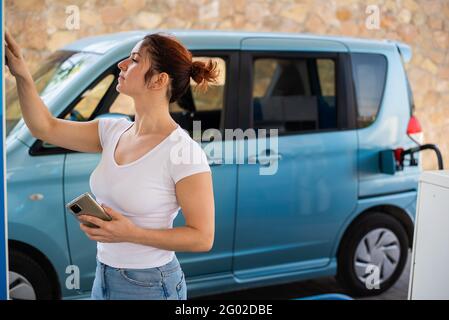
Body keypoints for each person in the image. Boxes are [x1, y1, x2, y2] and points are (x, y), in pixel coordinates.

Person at [5, 29, 217, 300]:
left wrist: (132, 233)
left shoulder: (183, 151)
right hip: (104, 276)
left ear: (159, 80)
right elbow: (44, 127)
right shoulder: (112, 131)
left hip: (151, 285)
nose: (122, 64)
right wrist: (21, 72)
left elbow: (202, 237)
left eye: (135, 60)